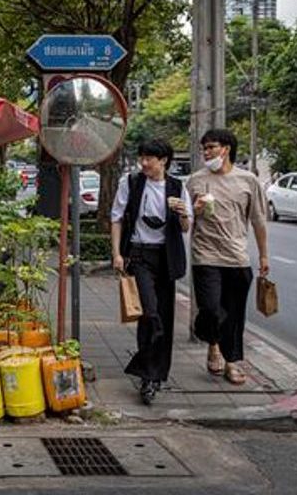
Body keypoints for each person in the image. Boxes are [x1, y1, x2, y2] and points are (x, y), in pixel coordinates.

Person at [111, 139, 192, 405]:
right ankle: (148, 371)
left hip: (166, 256)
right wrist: (116, 254)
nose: (144, 163)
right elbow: (117, 217)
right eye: (142, 158)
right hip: (139, 254)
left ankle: (153, 375)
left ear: (164, 160)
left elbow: (185, 228)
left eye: (150, 159)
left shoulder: (177, 187)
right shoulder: (132, 182)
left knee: (163, 317)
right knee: (150, 311)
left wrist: (181, 214)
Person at [187, 129, 269, 385]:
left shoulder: (248, 180)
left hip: (236, 257)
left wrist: (264, 256)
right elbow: (183, 221)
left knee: (234, 314)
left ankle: (231, 362)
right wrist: (194, 211)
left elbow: (258, 220)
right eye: (204, 149)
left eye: (211, 147)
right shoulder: (195, 181)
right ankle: (213, 342)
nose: (207, 153)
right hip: (205, 256)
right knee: (210, 309)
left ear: (226, 149)